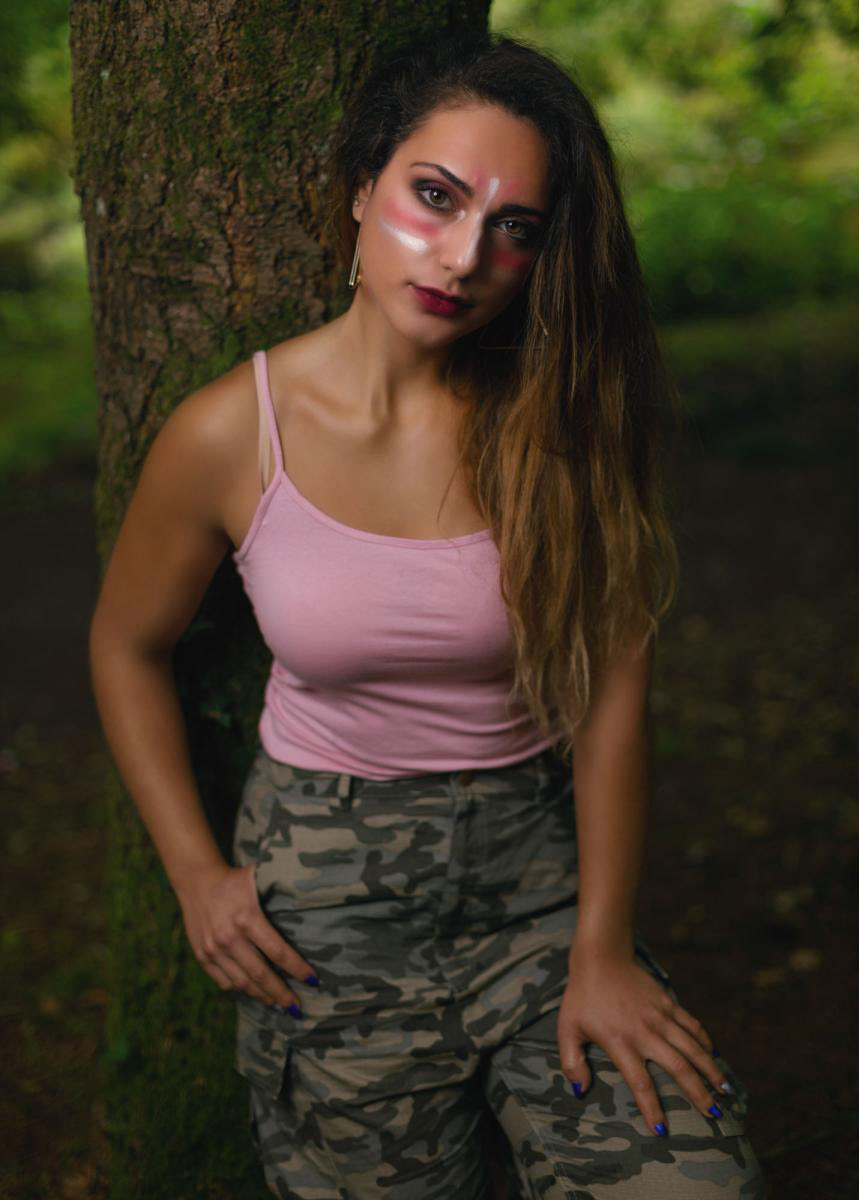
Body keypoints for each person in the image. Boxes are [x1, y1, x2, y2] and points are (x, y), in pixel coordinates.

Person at [88, 28, 766, 1200]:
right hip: (325, 904)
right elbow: (124, 645)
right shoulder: (230, 432)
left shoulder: (559, 424)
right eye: (434, 196)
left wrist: (602, 948)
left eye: (515, 226)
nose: (463, 255)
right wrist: (196, 875)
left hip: (536, 887)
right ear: (362, 187)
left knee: (692, 1184)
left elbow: (612, 695)